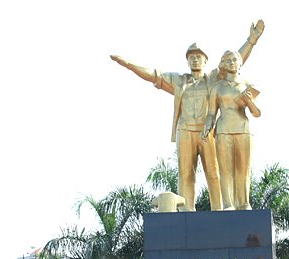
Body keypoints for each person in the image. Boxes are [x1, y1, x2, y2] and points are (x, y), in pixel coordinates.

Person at [110, 20, 264, 211]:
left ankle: (220, 209)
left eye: (199, 57)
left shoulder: (213, 79)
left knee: (214, 173)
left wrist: (251, 40)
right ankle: (186, 211)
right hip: (185, 131)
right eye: (191, 57)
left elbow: (235, 60)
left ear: (206, 61)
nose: (195, 60)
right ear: (187, 61)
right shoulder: (179, 80)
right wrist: (129, 65)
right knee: (185, 174)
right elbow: (153, 75)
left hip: (206, 132)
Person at [202, 50, 261, 210]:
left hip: (243, 129)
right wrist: (208, 126)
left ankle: (244, 203)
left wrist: (249, 101)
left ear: (239, 62)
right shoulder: (218, 87)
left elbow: (257, 113)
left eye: (234, 59)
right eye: (227, 60)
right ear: (223, 65)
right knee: (226, 170)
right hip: (223, 130)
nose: (231, 63)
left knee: (243, 169)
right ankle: (228, 203)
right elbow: (211, 113)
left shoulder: (247, 85)